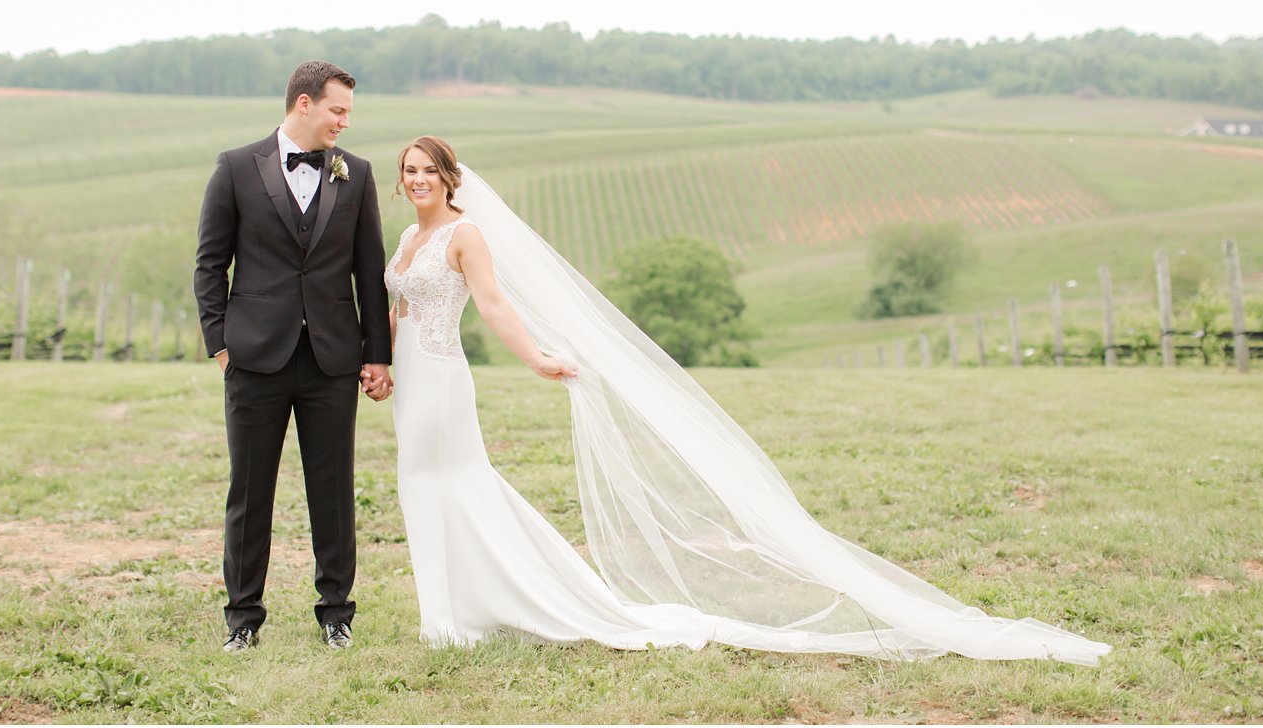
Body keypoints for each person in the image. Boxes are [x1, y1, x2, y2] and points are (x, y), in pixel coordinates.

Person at [383, 135, 1110, 664]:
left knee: (451, 483)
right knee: (425, 488)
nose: (417, 180)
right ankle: (455, 609)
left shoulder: (464, 233)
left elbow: (496, 305)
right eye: (408, 172)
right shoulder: (409, 238)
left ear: (451, 177)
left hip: (444, 376)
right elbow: (395, 309)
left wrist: (539, 357)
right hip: (407, 377)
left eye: (427, 171)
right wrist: (376, 362)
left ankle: (464, 613)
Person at [194, 61, 393, 654]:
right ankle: (242, 619)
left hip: (332, 358)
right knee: (249, 492)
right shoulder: (235, 167)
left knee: (332, 490)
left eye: (348, 114)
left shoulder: (354, 174)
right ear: (303, 104)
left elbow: (369, 270)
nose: (344, 123)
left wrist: (376, 354)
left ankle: (336, 613)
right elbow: (210, 263)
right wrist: (220, 345)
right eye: (337, 111)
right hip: (254, 358)